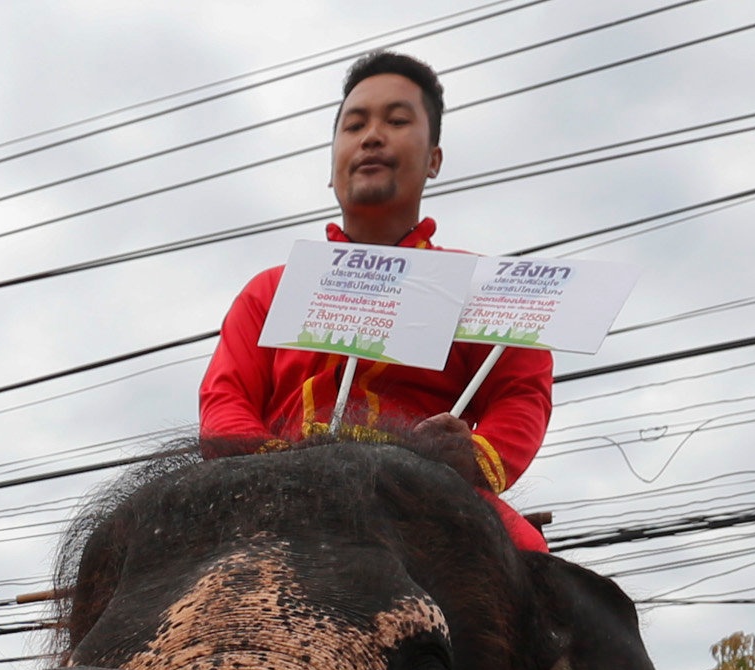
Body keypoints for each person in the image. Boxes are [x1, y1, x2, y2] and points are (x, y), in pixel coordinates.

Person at [197, 51, 555, 550]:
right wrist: (274, 465)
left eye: (397, 120)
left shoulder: (481, 287)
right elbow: (225, 400)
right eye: (354, 125)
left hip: (433, 496)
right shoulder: (269, 291)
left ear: (434, 160)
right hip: (275, 491)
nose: (371, 136)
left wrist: (473, 457)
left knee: (532, 556)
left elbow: (520, 392)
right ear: (331, 168)